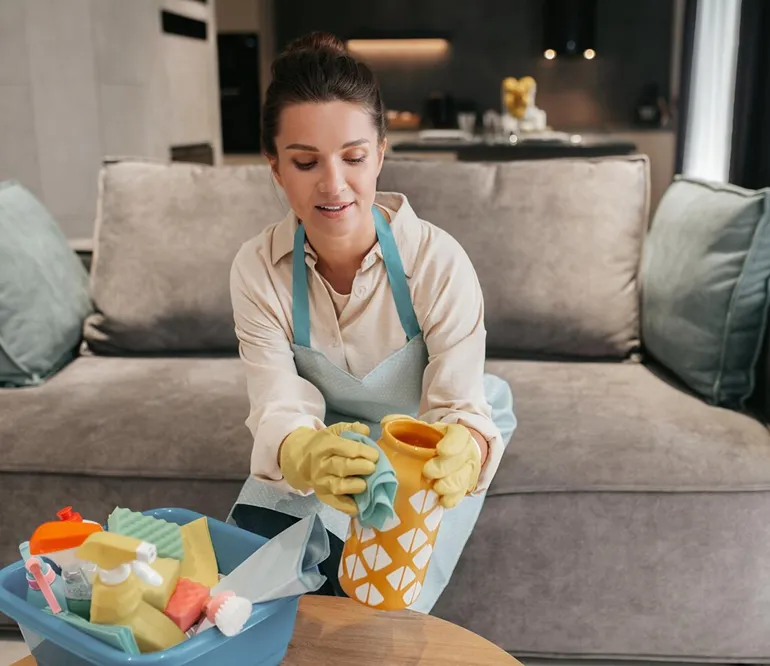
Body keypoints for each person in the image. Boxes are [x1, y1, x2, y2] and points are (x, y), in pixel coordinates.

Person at [228, 31, 517, 612]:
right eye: (305, 162)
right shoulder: (258, 269)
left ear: (381, 154)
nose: (333, 185)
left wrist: (463, 449)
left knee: (375, 602)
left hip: (416, 441)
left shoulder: (438, 262)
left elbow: (457, 406)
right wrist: (304, 454)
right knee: (244, 592)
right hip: (325, 438)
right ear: (275, 168)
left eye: (354, 158)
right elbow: (278, 403)